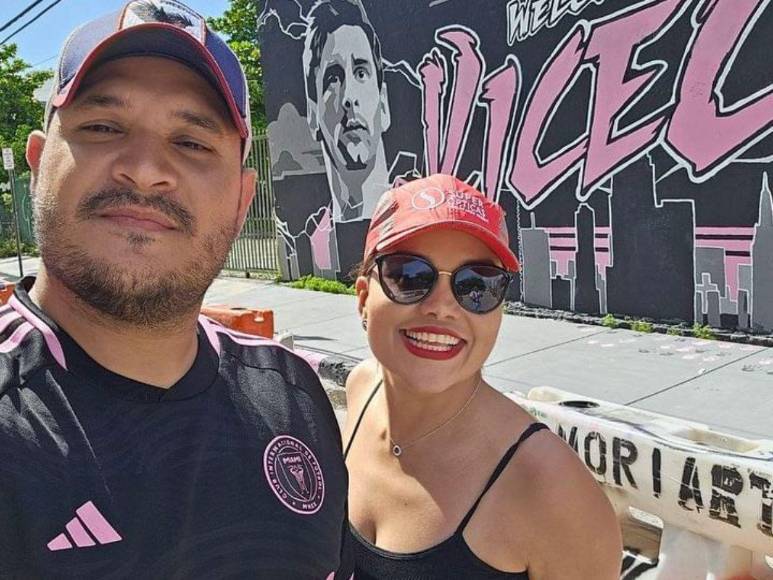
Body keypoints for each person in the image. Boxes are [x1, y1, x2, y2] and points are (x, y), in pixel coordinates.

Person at [0, 2, 350, 578]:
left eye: (191, 142)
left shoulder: (295, 395)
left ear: (242, 200)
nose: (144, 169)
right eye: (103, 127)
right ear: (37, 166)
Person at [343, 174, 622, 579]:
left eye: (476, 285)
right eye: (410, 276)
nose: (442, 307)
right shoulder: (361, 389)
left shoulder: (551, 488)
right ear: (364, 298)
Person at [303, 0, 392, 222]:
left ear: (383, 103)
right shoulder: (315, 238)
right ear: (313, 114)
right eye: (333, 79)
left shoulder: (421, 227)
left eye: (361, 73)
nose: (349, 97)